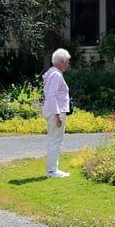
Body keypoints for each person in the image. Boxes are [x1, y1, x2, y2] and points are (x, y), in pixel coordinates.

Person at [42, 48, 72, 178]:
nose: (68, 64)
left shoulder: (51, 73)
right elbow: (52, 95)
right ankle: (52, 171)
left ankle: (52, 169)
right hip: (56, 112)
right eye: (67, 61)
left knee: (53, 140)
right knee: (56, 141)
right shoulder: (56, 75)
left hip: (53, 111)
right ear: (61, 61)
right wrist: (58, 115)